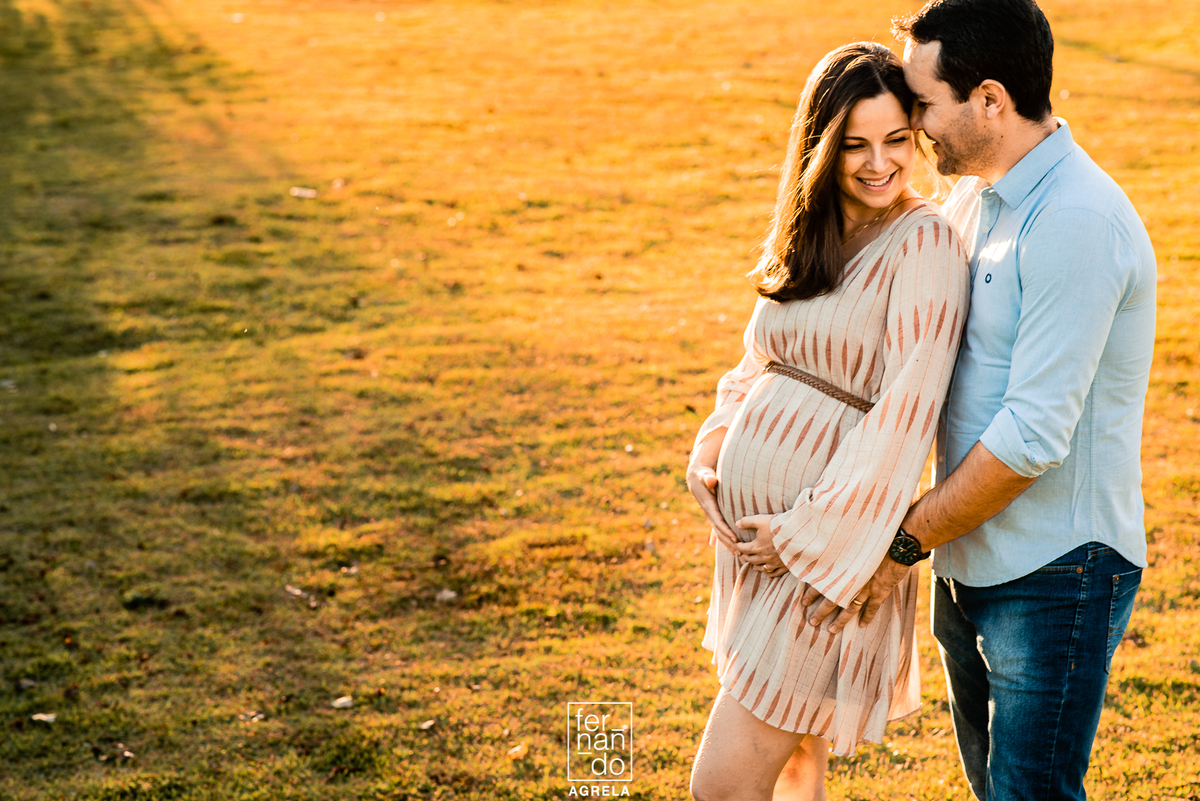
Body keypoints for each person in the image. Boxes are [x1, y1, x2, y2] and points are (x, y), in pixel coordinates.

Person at [804, 1, 1157, 799]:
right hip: (968, 559)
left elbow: (1033, 435)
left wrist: (900, 544)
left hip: (1055, 571)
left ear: (991, 100)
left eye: (925, 104)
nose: (917, 124)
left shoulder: (1076, 221)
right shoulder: (976, 199)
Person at [686, 42, 970, 801]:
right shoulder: (811, 230)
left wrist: (810, 533)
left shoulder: (925, 243)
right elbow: (757, 362)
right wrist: (710, 448)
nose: (879, 164)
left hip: (821, 555)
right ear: (820, 147)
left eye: (896, 141)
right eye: (855, 145)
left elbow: (907, 412)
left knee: (721, 782)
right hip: (758, 547)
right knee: (794, 763)